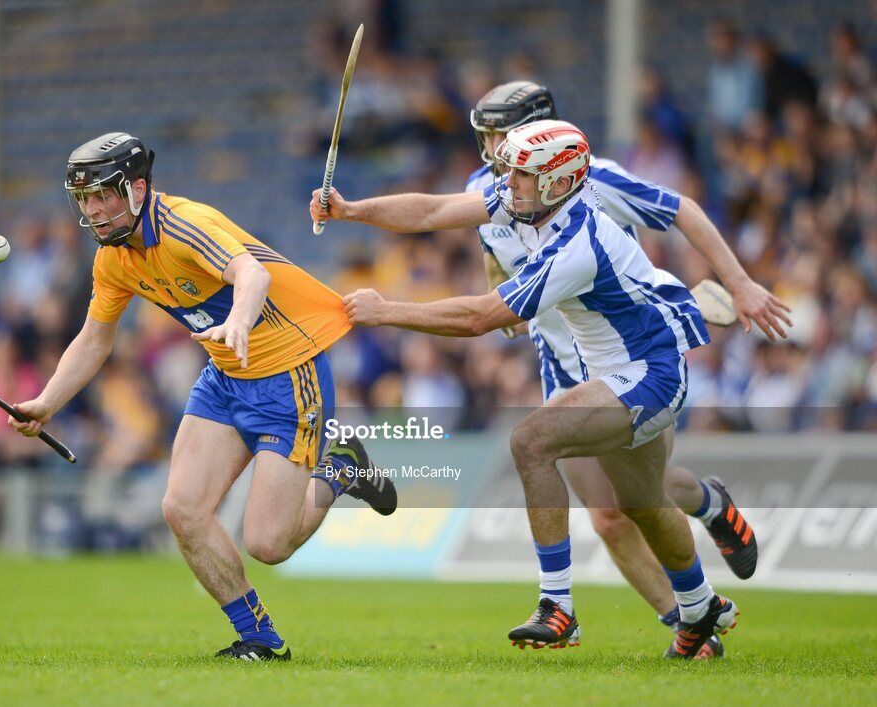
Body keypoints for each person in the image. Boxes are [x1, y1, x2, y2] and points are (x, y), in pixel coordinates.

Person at [311, 118, 792, 658]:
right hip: (616, 367)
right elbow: (431, 211)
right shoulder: (533, 195)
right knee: (640, 503)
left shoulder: (576, 243)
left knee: (531, 441)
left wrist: (387, 310)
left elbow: (480, 319)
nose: (506, 182)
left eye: (519, 175)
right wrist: (353, 210)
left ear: (558, 183)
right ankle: (700, 606)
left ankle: (557, 605)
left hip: (646, 374)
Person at [9, 132, 396, 661]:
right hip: (223, 379)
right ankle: (259, 637)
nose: (94, 211)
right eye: (85, 200)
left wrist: (238, 322)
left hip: (288, 372)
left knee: (268, 543)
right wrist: (47, 402)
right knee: (183, 510)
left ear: (138, 188)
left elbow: (251, 273)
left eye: (103, 195)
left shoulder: (184, 224)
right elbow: (95, 338)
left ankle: (341, 469)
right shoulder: (113, 260)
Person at [465, 82, 784, 648]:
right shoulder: (489, 191)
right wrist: (507, 303)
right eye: (486, 136)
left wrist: (739, 282)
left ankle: (709, 507)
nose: (490, 148)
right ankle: (692, 624)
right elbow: (491, 262)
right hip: (564, 369)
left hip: (629, 359)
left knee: (643, 496)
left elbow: (680, 209)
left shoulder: (592, 176)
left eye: (498, 134)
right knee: (611, 514)